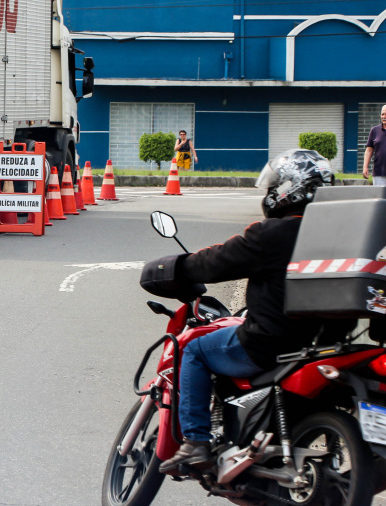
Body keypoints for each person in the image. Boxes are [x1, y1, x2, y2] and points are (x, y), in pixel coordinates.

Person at [140, 150, 355, 475]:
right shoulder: (344, 237)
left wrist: (174, 267)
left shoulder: (272, 234)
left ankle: (196, 442)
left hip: (269, 344)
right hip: (326, 345)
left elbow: (217, 261)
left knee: (193, 348)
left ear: (288, 190)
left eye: (275, 186)